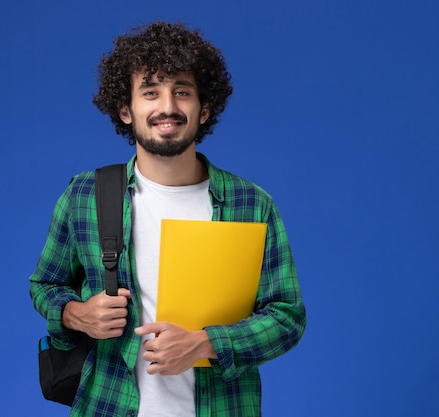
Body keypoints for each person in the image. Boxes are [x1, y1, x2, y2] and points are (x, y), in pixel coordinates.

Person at [29, 21, 306, 417]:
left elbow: (287, 317)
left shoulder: (252, 204)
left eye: (182, 92)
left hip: (222, 407)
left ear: (204, 108)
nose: (167, 107)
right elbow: (45, 284)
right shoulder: (85, 195)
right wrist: (77, 314)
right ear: (126, 110)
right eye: (150, 92)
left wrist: (207, 343)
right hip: (109, 405)